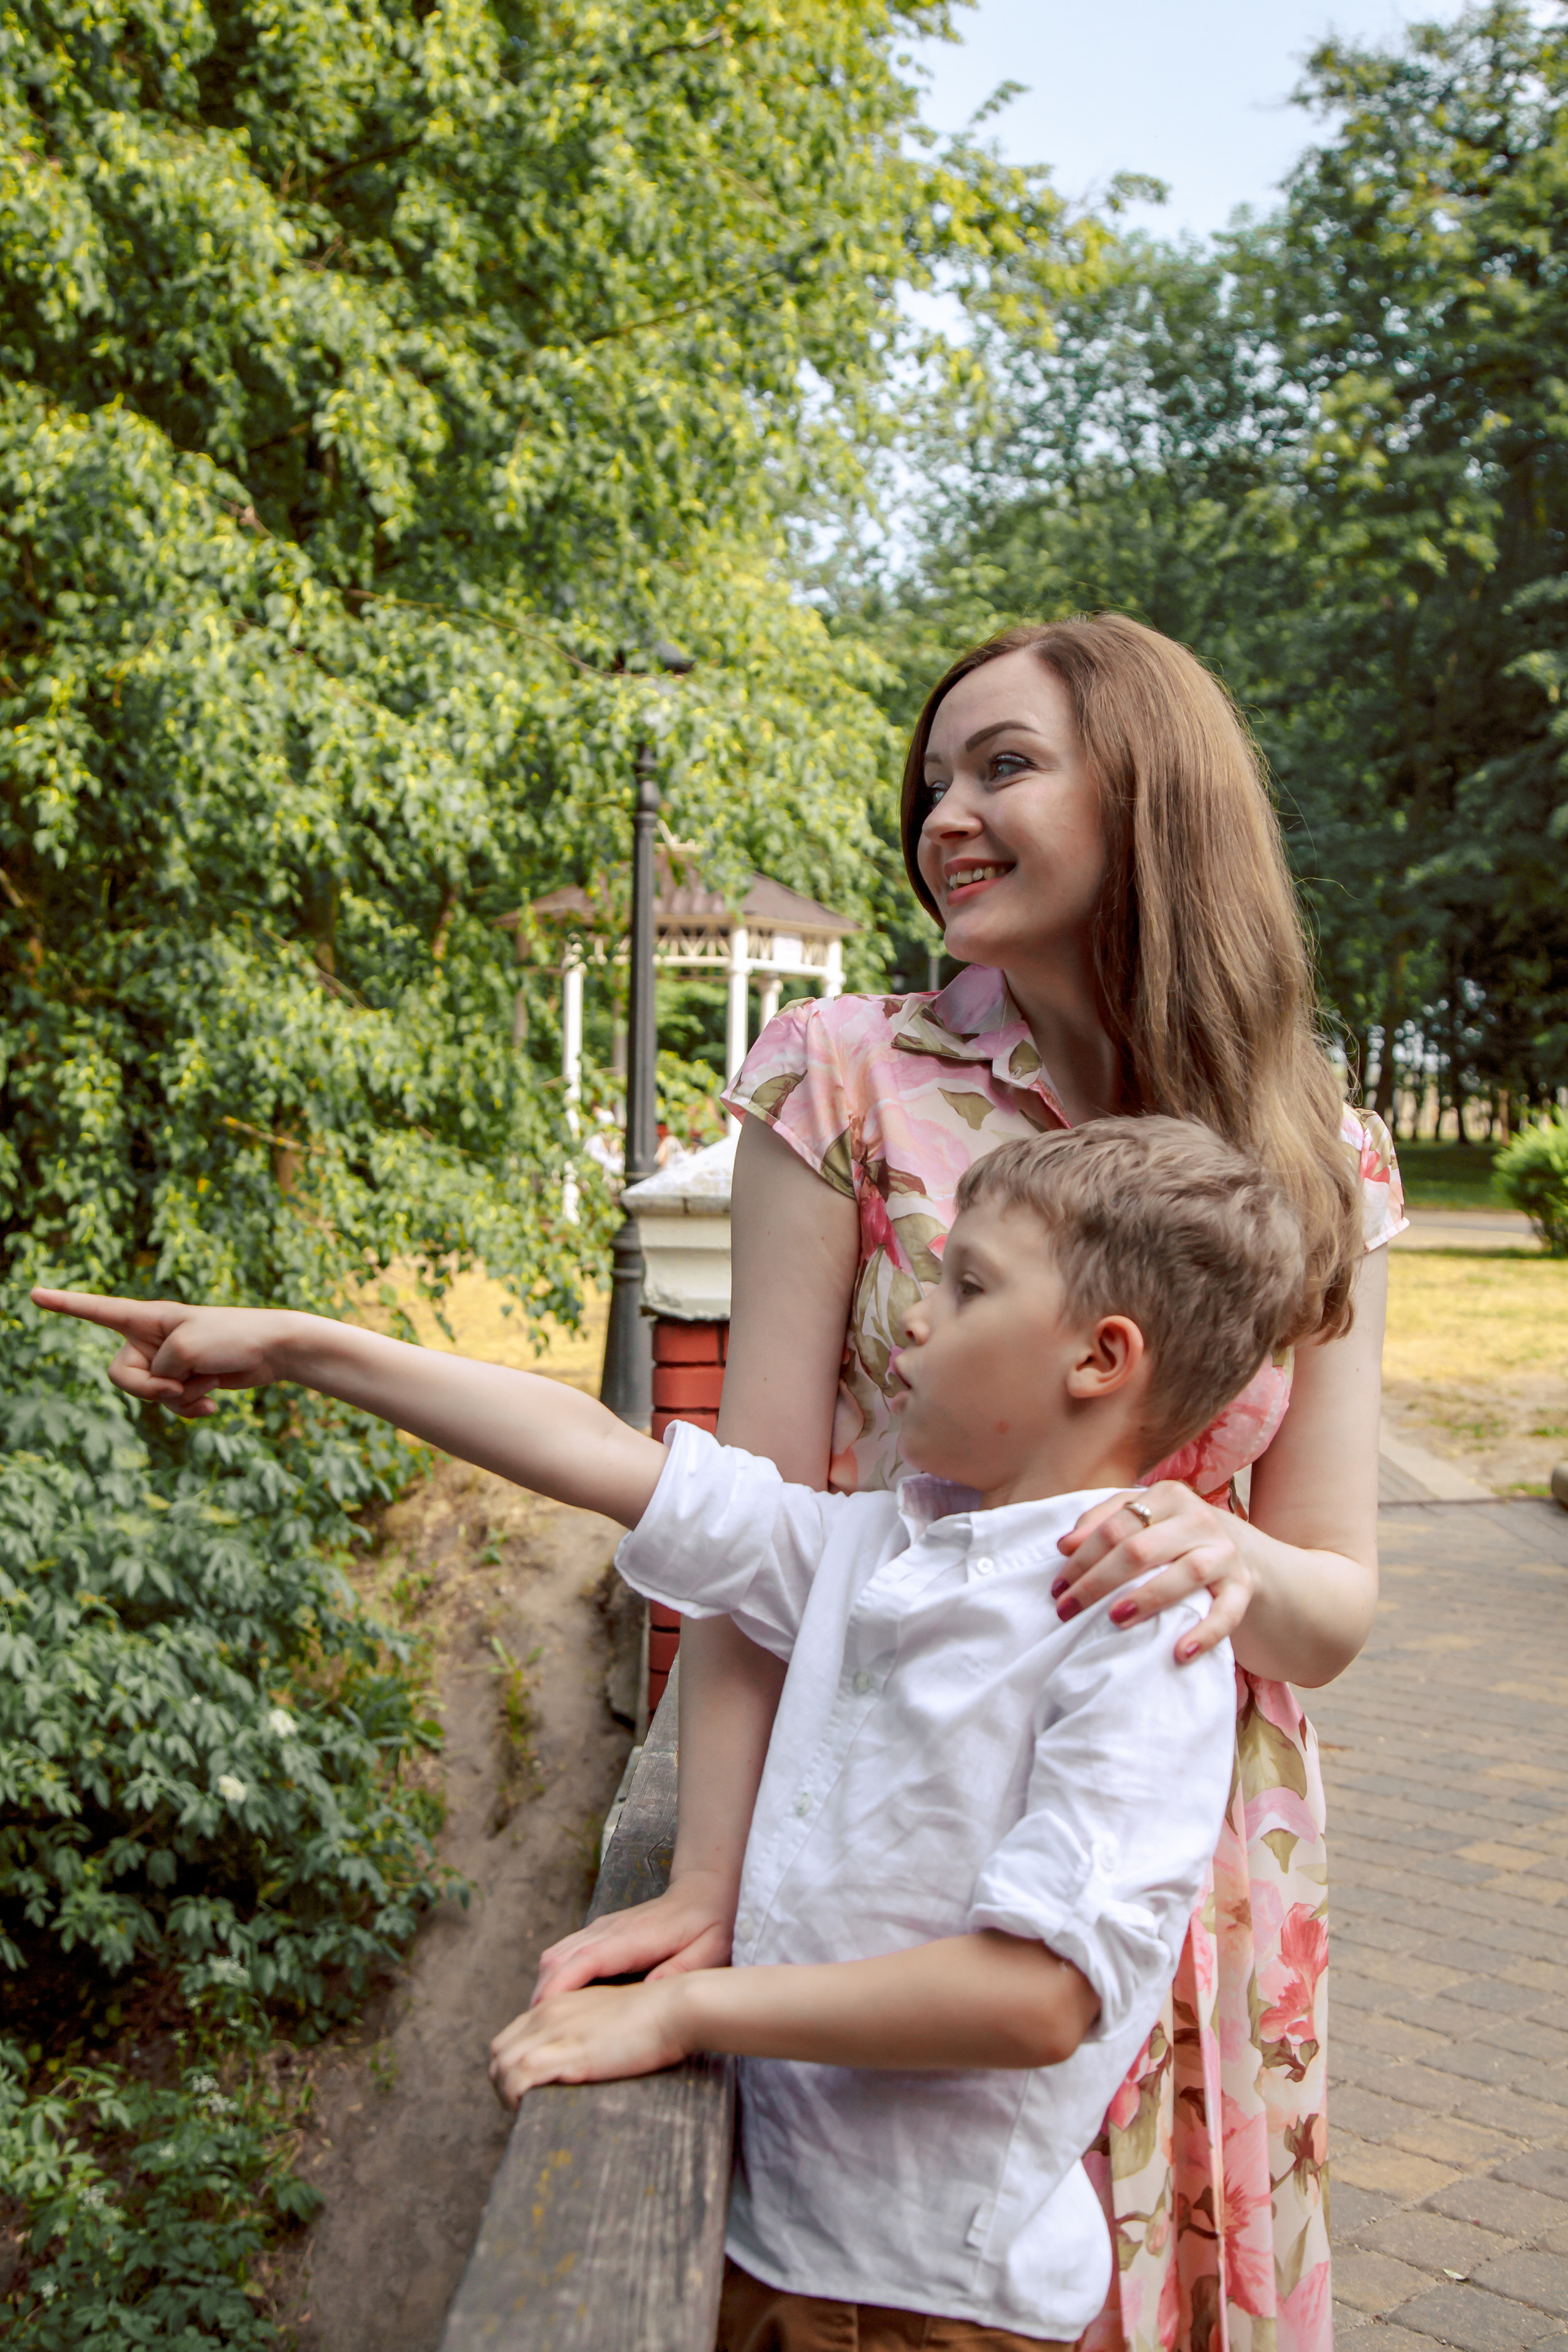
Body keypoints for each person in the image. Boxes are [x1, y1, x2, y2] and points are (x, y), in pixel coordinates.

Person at [33, 1113, 1303, 2351]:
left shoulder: (1140, 1633)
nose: (912, 1313)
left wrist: (686, 2013)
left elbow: (1034, 1998)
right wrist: (304, 1348)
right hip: (782, 2240)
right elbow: (597, 1450)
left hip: (904, 2302)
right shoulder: (874, 1548)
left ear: (1100, 1357)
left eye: (966, 1286)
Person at [536, 617, 1404, 2352]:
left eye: (1003, 765)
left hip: (1194, 1861)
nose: (946, 812)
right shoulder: (846, 1077)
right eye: (936, 777)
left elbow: (1334, 1606)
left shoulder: (1322, 1144)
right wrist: (717, 1881)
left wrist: (1219, 1554)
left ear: (1153, 798)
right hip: (912, 1844)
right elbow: (752, 1524)